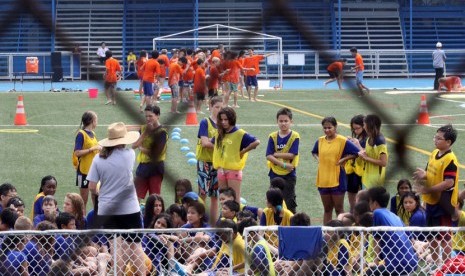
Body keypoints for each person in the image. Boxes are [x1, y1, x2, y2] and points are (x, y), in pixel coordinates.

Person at [87, 121, 146, 276]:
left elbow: (92, 187)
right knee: (135, 246)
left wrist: (102, 194)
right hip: (130, 207)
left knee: (115, 246)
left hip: (107, 208)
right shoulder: (130, 155)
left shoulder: (98, 160)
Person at [413, 124, 458, 265]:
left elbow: (449, 182)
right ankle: (436, 264)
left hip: (444, 204)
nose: (435, 140)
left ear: (448, 142)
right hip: (431, 202)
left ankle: (446, 267)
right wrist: (424, 174)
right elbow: (432, 174)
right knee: (431, 236)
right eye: (435, 137)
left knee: (444, 238)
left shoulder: (450, 159)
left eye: (439, 138)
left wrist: (428, 190)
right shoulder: (434, 153)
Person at [311, 116, 359, 224]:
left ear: (335, 127)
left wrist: (344, 159)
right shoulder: (320, 141)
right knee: (327, 209)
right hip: (323, 179)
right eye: (325, 128)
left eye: (329, 128)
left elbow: (357, 153)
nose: (327, 130)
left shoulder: (342, 141)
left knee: (339, 209)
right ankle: (327, 234)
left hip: (338, 179)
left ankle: (342, 235)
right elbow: (314, 152)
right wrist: (319, 159)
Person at [212, 107, 260, 204]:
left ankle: (236, 218)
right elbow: (213, 143)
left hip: (233, 171)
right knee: (223, 200)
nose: (224, 122)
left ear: (232, 119)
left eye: (226, 119)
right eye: (221, 120)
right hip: (221, 170)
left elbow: (256, 142)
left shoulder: (239, 133)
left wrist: (243, 151)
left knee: (234, 200)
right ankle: (226, 218)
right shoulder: (219, 133)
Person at [367, 186, 418, 275]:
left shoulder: (377, 213)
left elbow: (377, 240)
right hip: (412, 262)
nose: (368, 204)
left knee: (370, 272)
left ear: (374, 203)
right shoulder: (395, 216)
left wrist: (375, 263)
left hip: (397, 264)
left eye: (369, 201)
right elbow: (410, 238)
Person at [266, 107, 300, 213]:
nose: (283, 123)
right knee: (274, 200)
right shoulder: (272, 136)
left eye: (286, 121)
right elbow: (268, 156)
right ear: (277, 122)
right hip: (275, 173)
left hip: (289, 175)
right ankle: (275, 223)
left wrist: (275, 154)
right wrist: (283, 164)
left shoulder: (295, 136)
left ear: (291, 122)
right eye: (281, 121)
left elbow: (291, 155)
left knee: (289, 201)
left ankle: (291, 224)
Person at [132, 104, 168, 199]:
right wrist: (145, 133)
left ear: (158, 116)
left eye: (150, 116)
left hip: (156, 168)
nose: (148, 118)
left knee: (154, 198)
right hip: (142, 166)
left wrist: (142, 148)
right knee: (136, 196)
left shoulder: (162, 132)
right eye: (146, 116)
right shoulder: (143, 128)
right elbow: (134, 145)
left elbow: (156, 153)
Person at [196, 96, 223, 224]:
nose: (219, 110)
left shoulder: (224, 124)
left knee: (215, 196)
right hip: (204, 162)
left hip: (217, 163)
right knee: (202, 193)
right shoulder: (205, 122)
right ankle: (198, 221)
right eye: (217, 107)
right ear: (210, 107)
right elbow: (205, 143)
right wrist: (222, 147)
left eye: (222, 107)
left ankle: (212, 223)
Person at [74, 111, 101, 210]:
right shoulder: (81, 134)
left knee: (96, 196)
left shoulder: (93, 133)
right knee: (83, 200)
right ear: (92, 121)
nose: (97, 122)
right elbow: (77, 152)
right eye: (96, 120)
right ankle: (83, 221)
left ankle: (96, 218)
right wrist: (91, 149)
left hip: (94, 170)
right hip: (84, 171)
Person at [359, 114, 388, 189]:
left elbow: (383, 162)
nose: (363, 126)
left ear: (369, 125)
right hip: (366, 177)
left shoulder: (380, 141)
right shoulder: (369, 138)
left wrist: (366, 158)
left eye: (364, 124)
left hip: (375, 180)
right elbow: (369, 153)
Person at [345, 114, 367, 213]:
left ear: (364, 126)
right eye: (353, 129)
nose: (355, 131)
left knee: (362, 198)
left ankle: (360, 215)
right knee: (351, 197)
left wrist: (357, 145)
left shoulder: (368, 140)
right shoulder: (357, 137)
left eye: (357, 128)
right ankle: (353, 213)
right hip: (352, 171)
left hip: (362, 172)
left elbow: (366, 154)